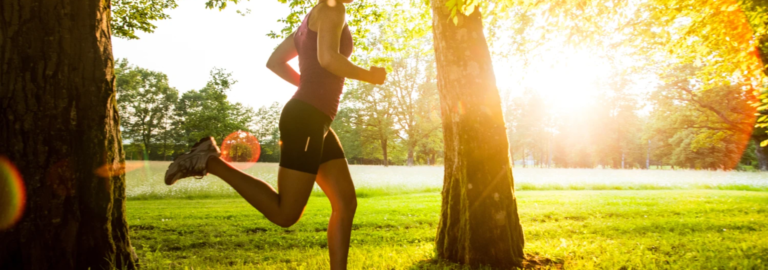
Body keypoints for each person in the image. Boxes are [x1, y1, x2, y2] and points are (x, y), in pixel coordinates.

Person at [163, 0, 386, 268]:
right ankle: (209, 161)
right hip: (307, 118)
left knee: (345, 203)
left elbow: (275, 62)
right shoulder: (332, 8)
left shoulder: (308, 20)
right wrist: (369, 76)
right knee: (286, 213)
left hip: (315, 118)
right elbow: (328, 58)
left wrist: (309, 85)